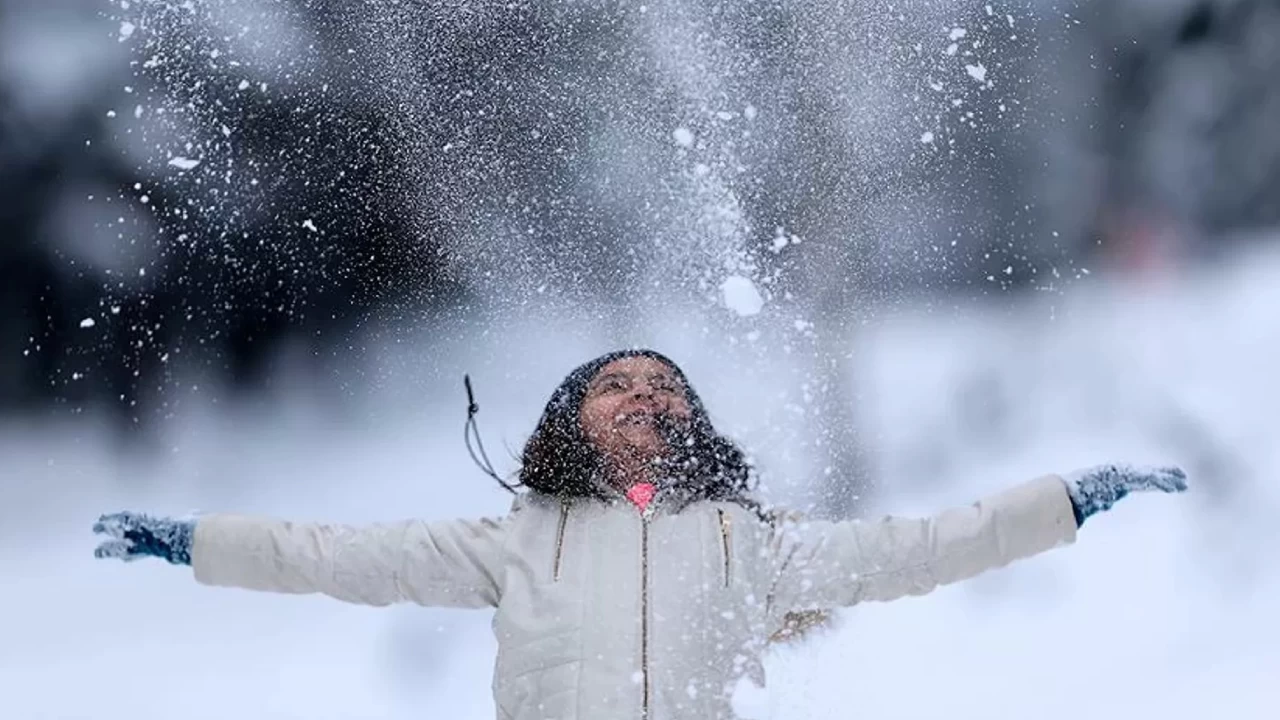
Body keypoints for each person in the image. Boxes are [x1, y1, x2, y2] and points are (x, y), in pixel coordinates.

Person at [93, 349, 1187, 720]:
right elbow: (331, 554)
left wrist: (1066, 501)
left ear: (693, 423)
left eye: (664, 386)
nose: (641, 397)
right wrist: (194, 542)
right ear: (569, 422)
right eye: (613, 385)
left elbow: (924, 545)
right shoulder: (512, 541)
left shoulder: (750, 546)